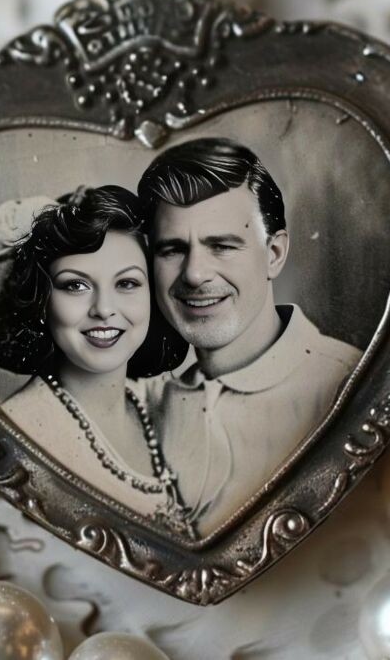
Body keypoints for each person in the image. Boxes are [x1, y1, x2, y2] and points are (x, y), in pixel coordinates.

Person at [137, 137, 362, 536]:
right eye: (172, 249)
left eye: (222, 246)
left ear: (274, 254)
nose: (194, 274)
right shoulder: (143, 407)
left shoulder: (349, 384)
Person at [0, 185, 192, 533]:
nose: (104, 309)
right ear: (42, 300)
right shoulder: (20, 434)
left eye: (127, 283)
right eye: (76, 285)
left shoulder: (165, 403)